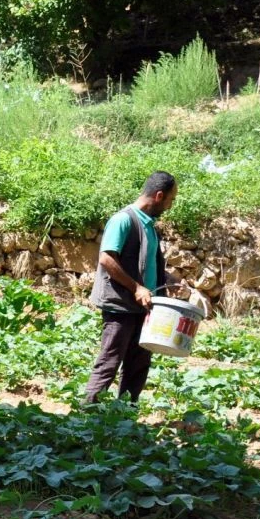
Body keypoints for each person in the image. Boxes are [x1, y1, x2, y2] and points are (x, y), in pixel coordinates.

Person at [83, 170, 186, 404]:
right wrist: (137, 288)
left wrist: (168, 281)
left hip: (146, 307)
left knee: (138, 365)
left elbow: (144, 264)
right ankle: (85, 418)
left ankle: (126, 416)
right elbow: (107, 259)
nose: (171, 205)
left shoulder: (149, 225)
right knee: (109, 362)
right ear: (159, 195)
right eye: (171, 199)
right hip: (121, 306)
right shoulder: (124, 220)